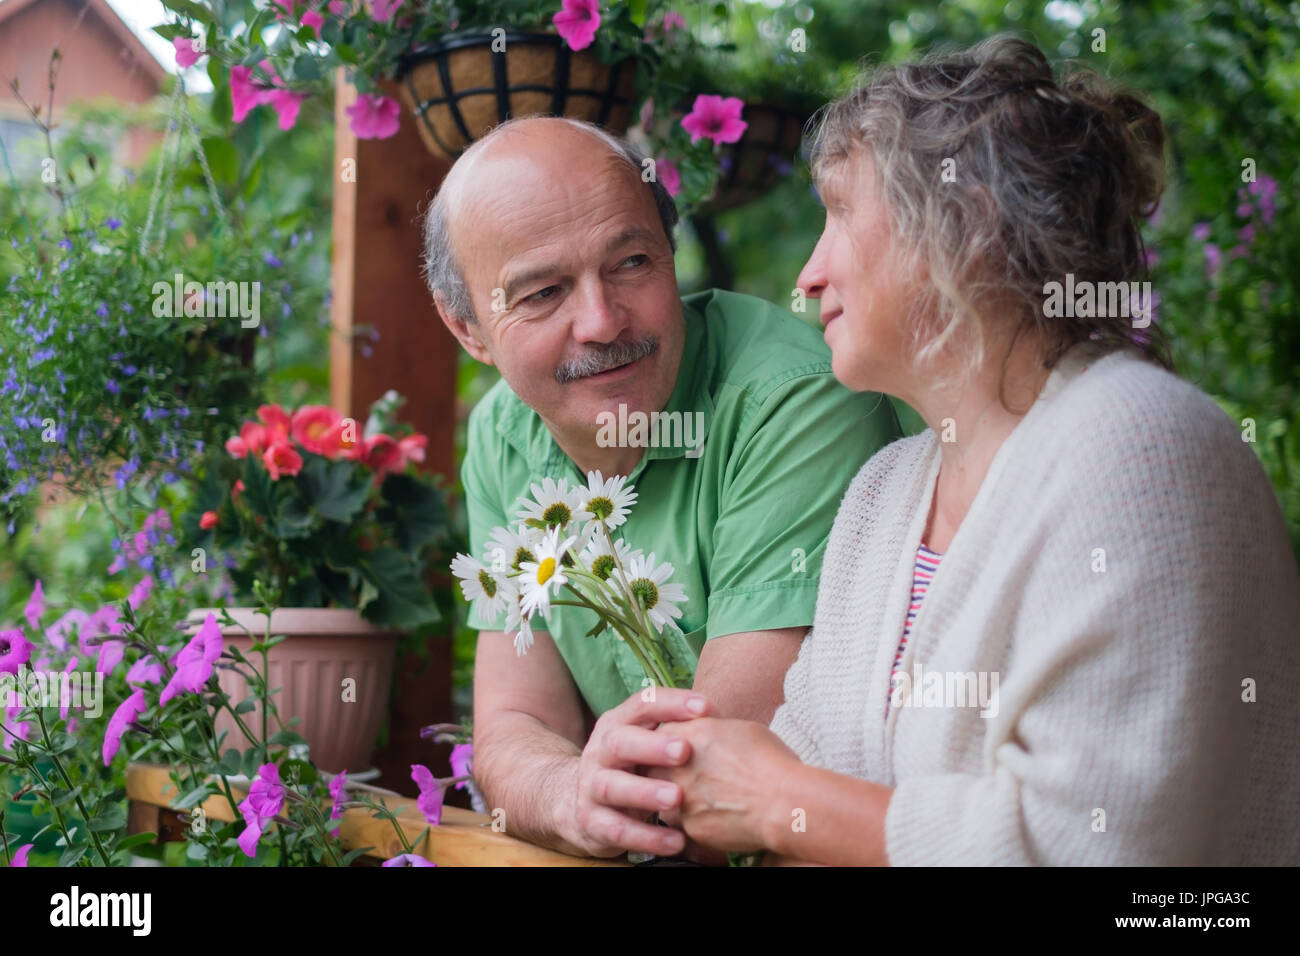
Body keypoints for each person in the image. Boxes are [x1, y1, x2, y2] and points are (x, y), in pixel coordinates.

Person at [647, 34, 1300, 865]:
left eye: (841, 211)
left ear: (969, 218)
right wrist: (666, 776)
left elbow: (1093, 848)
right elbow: (805, 765)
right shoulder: (885, 492)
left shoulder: (1143, 448)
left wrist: (776, 802)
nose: (808, 274)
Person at [425, 116, 901, 859]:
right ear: (468, 331)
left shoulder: (793, 401)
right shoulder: (501, 436)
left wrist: (585, 790)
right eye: (545, 292)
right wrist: (569, 795)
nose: (602, 321)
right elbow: (514, 724)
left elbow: (710, 778)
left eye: (632, 263)